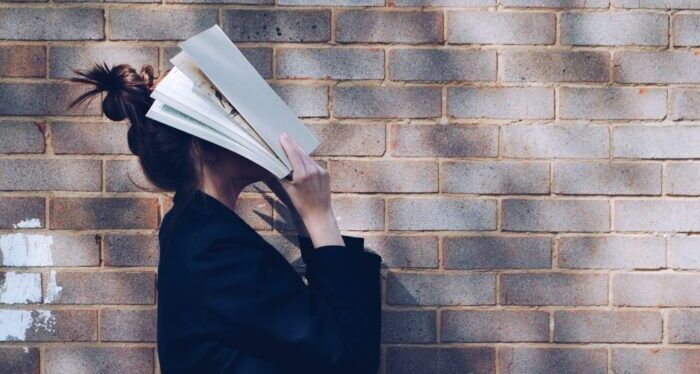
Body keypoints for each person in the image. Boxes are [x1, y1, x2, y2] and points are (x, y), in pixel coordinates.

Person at [67, 62, 382, 374]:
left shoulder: (199, 231)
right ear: (206, 148)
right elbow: (350, 357)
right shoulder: (212, 250)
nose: (258, 130)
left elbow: (321, 340)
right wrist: (319, 215)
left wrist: (304, 213)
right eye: (237, 120)